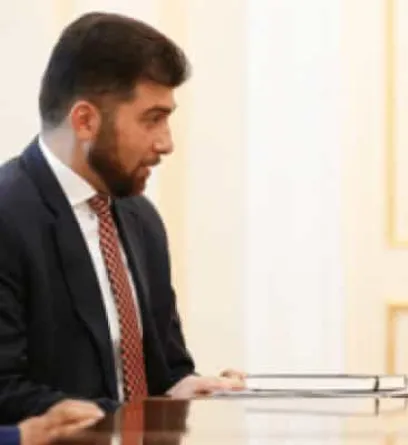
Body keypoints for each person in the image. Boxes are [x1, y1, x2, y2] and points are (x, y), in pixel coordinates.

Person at [0, 12, 245, 423]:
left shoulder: (141, 218)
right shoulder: (7, 216)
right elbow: (5, 392)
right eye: (153, 119)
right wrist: (135, 415)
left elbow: (167, 371)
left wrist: (186, 389)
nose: (166, 143)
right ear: (85, 121)